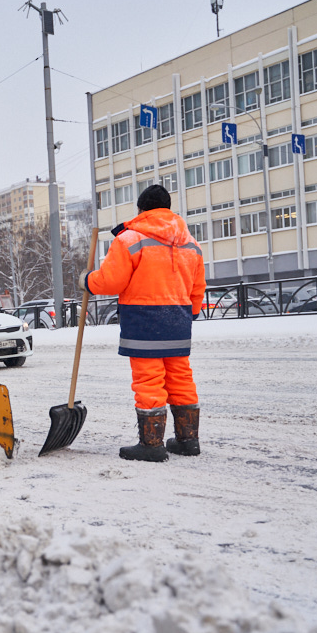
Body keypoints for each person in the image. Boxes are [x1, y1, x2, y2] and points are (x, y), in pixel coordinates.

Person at [80, 184, 206, 462]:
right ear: (168, 209)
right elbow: (198, 288)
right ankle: (188, 440)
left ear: (141, 209)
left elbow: (112, 280)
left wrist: (88, 280)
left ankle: (152, 444)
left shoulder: (130, 240)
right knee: (180, 377)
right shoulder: (191, 244)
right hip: (178, 319)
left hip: (143, 318)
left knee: (149, 380)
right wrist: (190, 314)